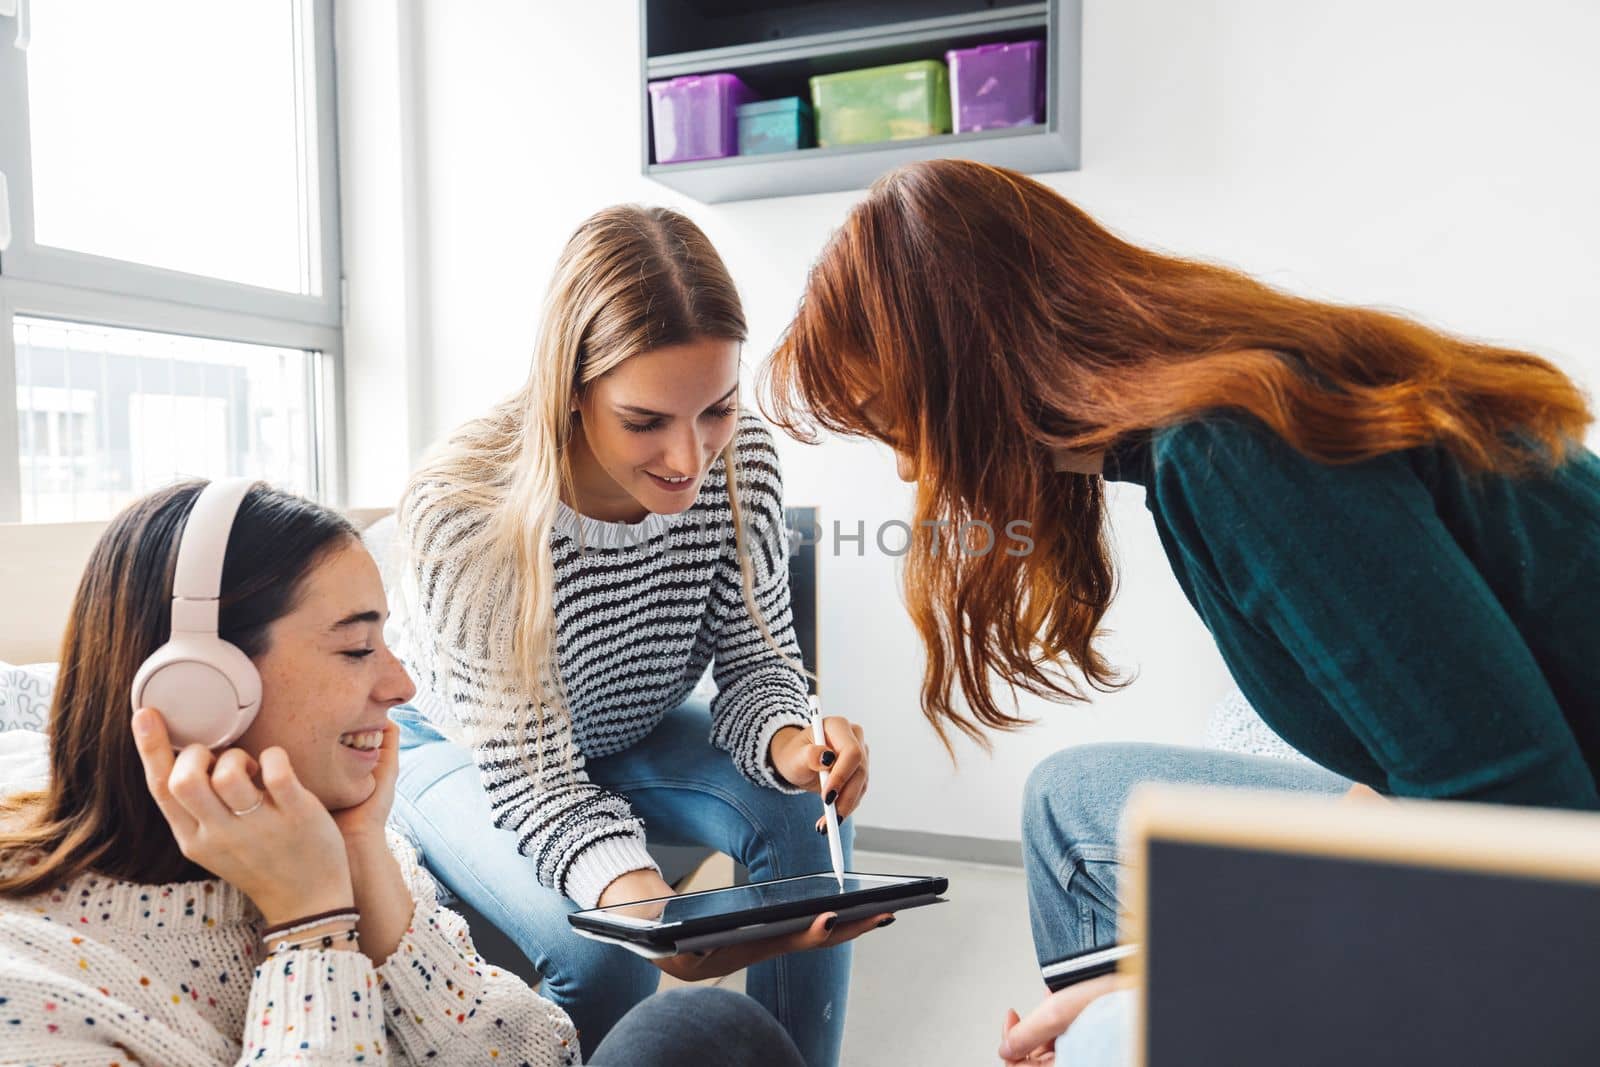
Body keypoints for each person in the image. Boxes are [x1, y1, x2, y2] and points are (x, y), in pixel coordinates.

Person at [761, 158, 1600, 1062]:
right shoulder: (1189, 438)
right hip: (1534, 814)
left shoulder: (1233, 445)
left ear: (976, 368)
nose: (912, 472)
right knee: (1070, 800)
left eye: (904, 426)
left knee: (1116, 1023)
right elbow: (1415, 756)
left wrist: (1183, 972)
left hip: (1558, 884)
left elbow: (1525, 831)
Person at [0, 480, 808, 1066]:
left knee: (702, 1031)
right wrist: (311, 926)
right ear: (199, 691)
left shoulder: (361, 847)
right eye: (356, 648)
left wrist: (368, 881)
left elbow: (539, 1056)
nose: (400, 685)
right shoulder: (37, 980)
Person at [387, 205, 883, 1066]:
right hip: (463, 750)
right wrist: (639, 900)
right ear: (570, 388)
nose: (689, 459)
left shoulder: (743, 462)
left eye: (716, 410)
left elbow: (759, 658)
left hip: (632, 725)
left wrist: (799, 744)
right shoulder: (467, 506)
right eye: (646, 421)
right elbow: (536, 777)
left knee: (810, 819)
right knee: (601, 943)